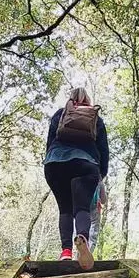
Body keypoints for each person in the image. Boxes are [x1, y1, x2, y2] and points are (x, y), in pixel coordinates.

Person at [43, 87, 108, 268]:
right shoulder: (96, 118)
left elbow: (50, 143)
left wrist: (51, 161)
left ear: (70, 99)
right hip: (86, 164)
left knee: (65, 209)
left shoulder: (60, 114)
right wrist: (100, 174)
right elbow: (104, 149)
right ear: (88, 100)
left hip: (55, 164)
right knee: (82, 209)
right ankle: (83, 240)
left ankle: (65, 252)